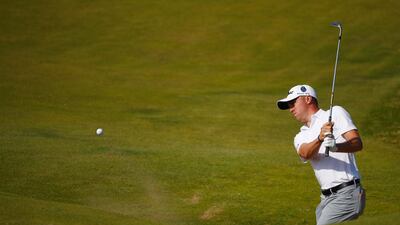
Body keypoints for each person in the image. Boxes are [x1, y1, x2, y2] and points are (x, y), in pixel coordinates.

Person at [276, 84, 366, 225]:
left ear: (307, 99)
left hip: (347, 192)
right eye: (288, 105)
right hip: (326, 199)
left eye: (293, 103)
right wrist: (320, 138)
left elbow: (357, 143)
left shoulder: (335, 113)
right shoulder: (300, 135)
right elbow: (305, 153)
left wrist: (336, 147)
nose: (291, 109)